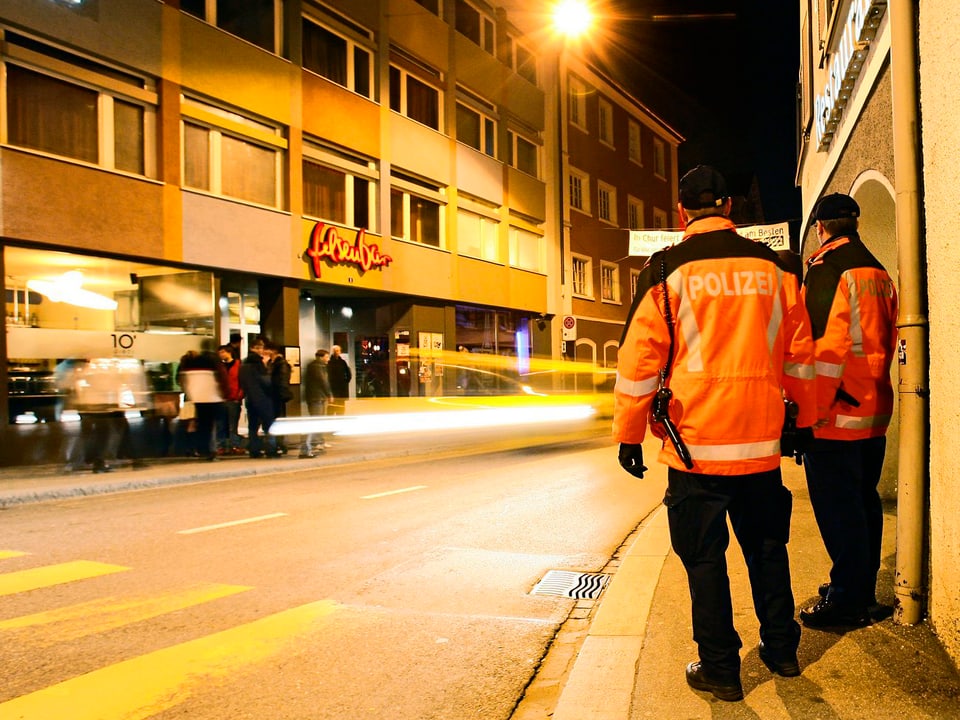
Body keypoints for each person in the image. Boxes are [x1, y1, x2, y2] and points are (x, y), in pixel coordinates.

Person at [613, 165, 817, 701]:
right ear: (728, 206)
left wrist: (629, 433)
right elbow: (801, 355)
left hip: (694, 448)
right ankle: (782, 650)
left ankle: (721, 668)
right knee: (768, 550)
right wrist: (805, 422)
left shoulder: (664, 269)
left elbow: (638, 360)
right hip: (760, 444)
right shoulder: (776, 268)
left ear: (682, 213)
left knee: (705, 562)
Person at [798, 193, 899, 629]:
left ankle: (847, 601)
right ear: (854, 224)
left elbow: (822, 348)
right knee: (862, 503)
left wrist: (809, 415)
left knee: (839, 510)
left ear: (821, 228)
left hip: (835, 414)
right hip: (872, 407)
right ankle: (856, 584)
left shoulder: (827, 269)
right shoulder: (877, 271)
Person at [178, 344, 228, 462]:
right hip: (213, 398)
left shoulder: (191, 365)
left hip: (199, 398)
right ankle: (212, 451)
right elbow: (222, 379)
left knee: (203, 425)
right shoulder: (213, 363)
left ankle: (203, 450)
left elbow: (184, 381)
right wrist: (225, 394)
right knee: (213, 426)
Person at [238, 337, 278, 458]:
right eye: (258, 348)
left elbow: (242, 381)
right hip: (263, 398)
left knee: (253, 426)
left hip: (250, 398)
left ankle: (254, 450)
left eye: (261, 347)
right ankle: (271, 449)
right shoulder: (258, 363)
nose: (260, 350)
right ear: (252, 348)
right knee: (269, 425)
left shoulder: (243, 363)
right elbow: (265, 381)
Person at [301, 349, 333, 458]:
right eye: (327, 357)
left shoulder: (314, 366)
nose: (328, 359)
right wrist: (329, 394)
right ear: (321, 357)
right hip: (317, 397)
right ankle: (315, 443)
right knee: (316, 419)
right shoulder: (317, 367)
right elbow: (323, 381)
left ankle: (318, 441)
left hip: (316, 396)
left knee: (318, 420)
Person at [263, 341, 293, 455]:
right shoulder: (273, 363)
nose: (264, 352)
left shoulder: (280, 364)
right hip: (273, 396)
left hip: (277, 397)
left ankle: (279, 444)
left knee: (277, 420)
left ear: (273, 351)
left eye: (266, 350)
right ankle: (278, 444)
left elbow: (280, 382)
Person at [217, 344, 245, 454]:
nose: (221, 355)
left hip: (234, 398)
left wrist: (239, 396)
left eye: (222, 352)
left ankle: (235, 445)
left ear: (229, 352)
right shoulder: (219, 366)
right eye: (219, 353)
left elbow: (242, 382)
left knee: (233, 425)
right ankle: (221, 446)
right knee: (221, 424)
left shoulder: (239, 365)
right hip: (221, 399)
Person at [326, 344, 352, 415]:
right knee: (332, 406)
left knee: (340, 406)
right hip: (333, 387)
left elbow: (348, 373)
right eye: (335, 351)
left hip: (341, 387)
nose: (336, 352)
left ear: (340, 351)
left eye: (338, 351)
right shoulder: (329, 362)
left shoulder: (342, 362)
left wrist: (346, 381)